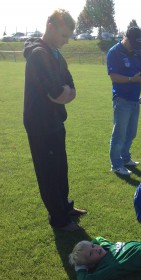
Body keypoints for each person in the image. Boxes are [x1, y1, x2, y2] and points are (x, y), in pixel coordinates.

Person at [23, 9, 86, 232]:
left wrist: (65, 91)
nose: (66, 42)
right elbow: (58, 94)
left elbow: (71, 88)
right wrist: (64, 92)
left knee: (60, 167)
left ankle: (65, 207)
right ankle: (59, 220)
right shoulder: (39, 54)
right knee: (48, 172)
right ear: (51, 27)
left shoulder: (57, 54)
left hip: (55, 120)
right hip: (40, 124)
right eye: (64, 36)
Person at [107, 27, 141, 176]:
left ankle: (125, 158)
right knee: (119, 133)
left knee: (131, 132)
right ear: (125, 37)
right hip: (121, 99)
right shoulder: (114, 52)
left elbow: (140, 72)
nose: (134, 47)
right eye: (133, 43)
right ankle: (116, 164)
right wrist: (133, 79)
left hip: (134, 99)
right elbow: (113, 76)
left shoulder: (137, 53)